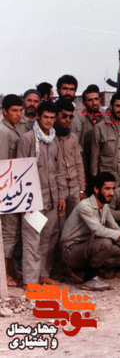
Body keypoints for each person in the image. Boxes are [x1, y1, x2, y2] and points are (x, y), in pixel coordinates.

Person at [60, 172, 120, 291]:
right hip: (71, 251)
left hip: (88, 247)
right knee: (105, 242)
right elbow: (98, 230)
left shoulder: (104, 206)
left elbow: (114, 227)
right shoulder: (85, 205)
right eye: (107, 189)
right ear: (96, 189)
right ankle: (88, 279)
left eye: (113, 188)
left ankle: (89, 272)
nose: (111, 193)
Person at [17, 101, 63, 286]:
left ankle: (43, 275)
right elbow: (21, 170)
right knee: (32, 240)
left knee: (47, 239)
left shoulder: (54, 139)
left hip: (51, 198)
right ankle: (30, 281)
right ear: (38, 116)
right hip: (33, 199)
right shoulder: (27, 139)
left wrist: (61, 196)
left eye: (52, 118)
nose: (49, 121)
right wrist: (26, 201)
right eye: (46, 117)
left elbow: (59, 170)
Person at [0, 94, 24, 286]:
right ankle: (4, 275)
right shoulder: (3, 132)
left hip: (14, 185)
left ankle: (10, 270)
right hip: (6, 187)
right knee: (8, 231)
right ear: (4, 112)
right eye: (14, 111)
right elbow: (2, 163)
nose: (18, 114)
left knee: (13, 231)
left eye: (20, 110)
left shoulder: (13, 129)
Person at [54, 99, 86, 218]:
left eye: (70, 117)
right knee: (59, 221)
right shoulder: (49, 138)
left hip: (74, 186)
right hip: (58, 187)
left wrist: (81, 190)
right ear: (56, 115)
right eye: (64, 116)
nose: (67, 120)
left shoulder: (73, 137)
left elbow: (78, 164)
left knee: (74, 222)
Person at [75, 85, 106, 179]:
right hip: (87, 167)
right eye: (90, 100)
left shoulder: (106, 118)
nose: (94, 103)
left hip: (104, 167)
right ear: (83, 103)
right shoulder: (79, 120)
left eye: (96, 99)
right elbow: (78, 149)